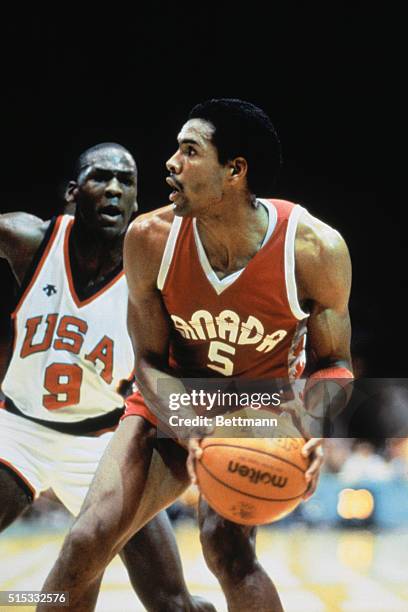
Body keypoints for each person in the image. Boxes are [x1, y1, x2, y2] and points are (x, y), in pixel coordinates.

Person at [39, 99, 353, 612]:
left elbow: (334, 364)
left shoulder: (314, 249)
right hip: (172, 394)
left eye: (190, 151)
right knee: (88, 539)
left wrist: (308, 425)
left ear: (235, 170)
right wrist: (189, 424)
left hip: (260, 405)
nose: (170, 163)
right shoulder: (149, 238)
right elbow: (148, 361)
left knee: (227, 552)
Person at [0, 142, 215, 612]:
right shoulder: (29, 239)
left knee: (172, 603)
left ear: (137, 202)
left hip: (101, 445)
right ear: (73, 192)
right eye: (101, 178)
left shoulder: (155, 277)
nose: (115, 190)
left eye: (126, 182)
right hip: (16, 431)